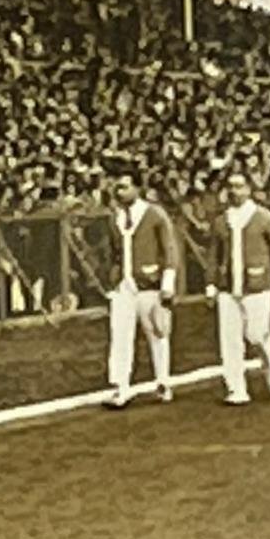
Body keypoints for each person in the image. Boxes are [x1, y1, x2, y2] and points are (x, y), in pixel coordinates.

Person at [103, 166, 180, 409]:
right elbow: (114, 252)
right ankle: (121, 387)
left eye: (125, 187)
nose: (120, 192)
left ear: (137, 188)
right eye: (118, 187)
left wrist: (167, 282)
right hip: (124, 286)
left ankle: (163, 381)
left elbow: (169, 248)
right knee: (120, 336)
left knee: (157, 332)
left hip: (150, 284)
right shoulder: (115, 218)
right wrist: (113, 281)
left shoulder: (154, 214)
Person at [213, 169, 270, 406]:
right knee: (230, 340)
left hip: (258, 285)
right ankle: (236, 388)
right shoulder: (221, 221)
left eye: (239, 186)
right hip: (228, 288)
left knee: (257, 335)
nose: (234, 191)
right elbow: (214, 254)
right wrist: (211, 283)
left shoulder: (264, 217)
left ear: (248, 189)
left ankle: (269, 368)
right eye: (230, 186)